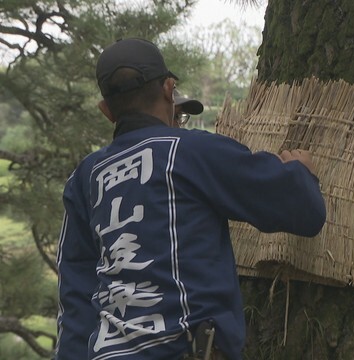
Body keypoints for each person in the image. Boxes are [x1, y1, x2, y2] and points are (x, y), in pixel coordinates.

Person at [55, 38, 326, 360]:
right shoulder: (190, 151)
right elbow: (304, 211)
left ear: (106, 111)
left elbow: (75, 294)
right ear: (169, 89)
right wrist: (302, 173)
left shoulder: (85, 177)